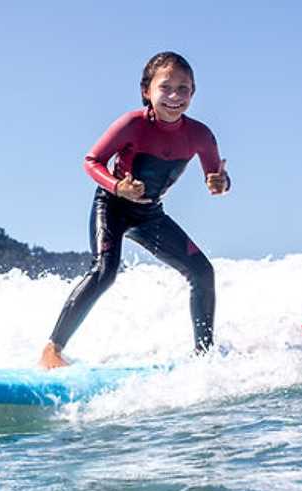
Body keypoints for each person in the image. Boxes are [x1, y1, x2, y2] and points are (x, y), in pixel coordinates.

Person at [40, 52, 230, 369]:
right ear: (147, 91)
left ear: (193, 93)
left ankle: (205, 356)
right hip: (112, 205)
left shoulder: (200, 135)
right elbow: (91, 161)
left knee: (202, 272)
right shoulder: (132, 124)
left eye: (184, 89)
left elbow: (216, 179)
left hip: (149, 214)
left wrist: (220, 184)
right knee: (105, 271)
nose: (175, 96)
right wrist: (118, 187)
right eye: (165, 87)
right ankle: (52, 350)